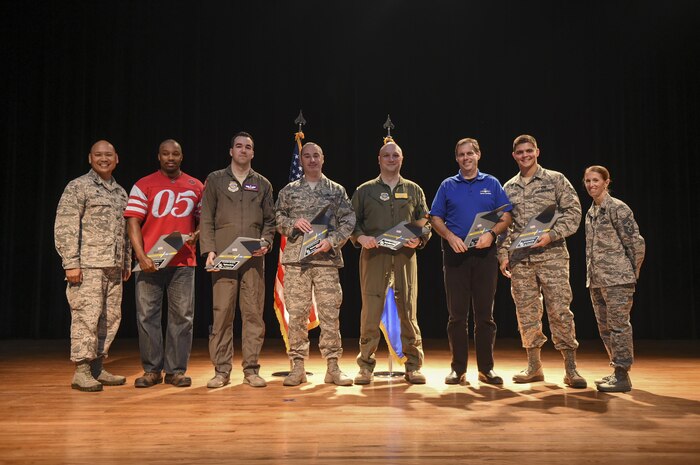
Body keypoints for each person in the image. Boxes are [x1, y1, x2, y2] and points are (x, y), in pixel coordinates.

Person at [498, 134, 587, 388]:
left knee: (560, 311)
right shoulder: (508, 188)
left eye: (529, 151)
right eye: (520, 152)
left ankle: (571, 369)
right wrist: (503, 254)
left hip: (552, 257)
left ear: (537, 151)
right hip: (520, 260)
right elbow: (505, 226)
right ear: (514, 156)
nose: (525, 155)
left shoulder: (555, 179)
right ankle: (534, 366)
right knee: (527, 313)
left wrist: (551, 235)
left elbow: (574, 212)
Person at [430, 138, 512, 386]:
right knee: (457, 316)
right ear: (457, 158)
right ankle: (458, 369)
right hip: (455, 256)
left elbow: (506, 216)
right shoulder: (447, 185)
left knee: (485, 316)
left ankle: (486, 369)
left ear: (478, 155)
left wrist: (492, 234)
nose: (466, 158)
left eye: (470, 154)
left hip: (485, 256)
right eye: (461, 155)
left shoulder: (492, 183)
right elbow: (435, 218)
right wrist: (450, 236)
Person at [275, 142, 356, 386]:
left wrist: (332, 241)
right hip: (297, 262)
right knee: (297, 314)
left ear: (323, 158)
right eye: (307, 156)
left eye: (316, 156)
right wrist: (291, 224)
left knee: (330, 314)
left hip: (325, 261)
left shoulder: (336, 190)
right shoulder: (288, 191)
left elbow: (349, 220)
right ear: (301, 160)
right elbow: (276, 218)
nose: (311, 160)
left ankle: (333, 367)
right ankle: (297, 367)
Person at [350, 141, 431, 385]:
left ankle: (413, 366)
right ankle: (365, 366)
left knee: (407, 309)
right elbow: (350, 222)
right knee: (371, 312)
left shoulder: (414, 189)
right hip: (374, 256)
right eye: (387, 155)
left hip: (405, 256)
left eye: (396, 155)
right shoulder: (365, 190)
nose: (391, 158)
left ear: (402, 159)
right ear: (379, 158)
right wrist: (360, 236)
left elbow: (425, 221)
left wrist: (419, 240)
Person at [124, 139, 204, 388]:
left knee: (182, 317)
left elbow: (205, 219)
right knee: (147, 316)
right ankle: (151, 370)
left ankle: (176, 371)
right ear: (158, 156)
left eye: (175, 154)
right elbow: (133, 221)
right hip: (150, 263)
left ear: (182, 157)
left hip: (183, 262)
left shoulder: (196, 185)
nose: (171, 158)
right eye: (166, 154)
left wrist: (198, 233)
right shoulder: (143, 184)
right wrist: (141, 256)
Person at [54, 140, 131, 392]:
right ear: (90, 158)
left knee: (110, 318)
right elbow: (65, 226)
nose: (104, 159)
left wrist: (126, 262)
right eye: (98, 155)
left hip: (114, 267)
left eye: (108, 154)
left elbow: (126, 232)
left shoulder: (120, 192)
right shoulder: (78, 187)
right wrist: (71, 263)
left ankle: (98, 366)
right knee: (86, 316)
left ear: (116, 158)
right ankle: (82, 370)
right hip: (87, 266)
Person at [199, 132, 275, 388]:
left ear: (253, 153)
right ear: (231, 151)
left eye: (248, 147)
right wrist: (208, 249)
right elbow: (206, 218)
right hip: (223, 257)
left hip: (253, 259)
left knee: (253, 314)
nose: (243, 150)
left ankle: (251, 369)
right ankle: (221, 370)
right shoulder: (216, 180)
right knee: (222, 314)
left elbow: (270, 222)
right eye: (239, 146)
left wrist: (266, 242)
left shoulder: (263, 184)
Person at [583, 165, 645, 392]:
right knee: (605, 328)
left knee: (619, 327)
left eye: (596, 180)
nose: (591, 185)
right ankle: (616, 371)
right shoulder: (590, 213)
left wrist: (631, 272)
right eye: (588, 181)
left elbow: (635, 243)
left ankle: (623, 375)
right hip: (597, 280)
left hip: (618, 279)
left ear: (606, 182)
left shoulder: (618, 208)